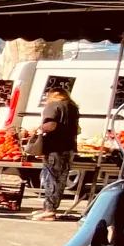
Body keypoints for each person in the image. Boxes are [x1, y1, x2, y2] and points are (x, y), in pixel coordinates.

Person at [31, 82, 82, 221]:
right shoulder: (73, 108)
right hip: (69, 147)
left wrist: (37, 128)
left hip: (55, 147)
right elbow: (78, 129)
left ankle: (49, 210)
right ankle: (51, 208)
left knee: (51, 178)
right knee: (61, 178)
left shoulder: (52, 106)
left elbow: (51, 125)